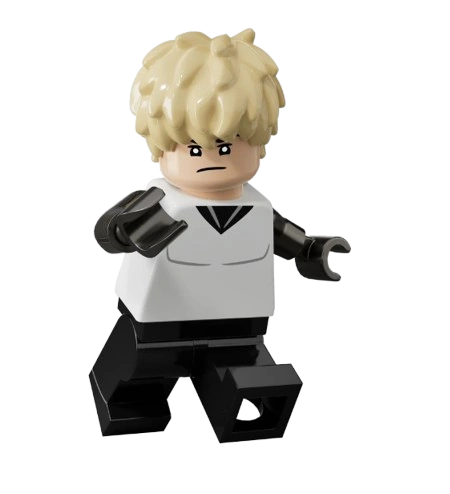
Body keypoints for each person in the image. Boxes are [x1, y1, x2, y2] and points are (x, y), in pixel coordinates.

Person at [89, 29, 351, 442]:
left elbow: (288, 239)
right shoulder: (160, 202)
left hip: (239, 329)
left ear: (259, 142)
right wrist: (122, 230)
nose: (211, 158)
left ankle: (238, 412)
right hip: (156, 327)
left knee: (246, 382)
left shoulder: (256, 209)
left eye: (227, 146)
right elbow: (109, 233)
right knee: (135, 385)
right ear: (162, 147)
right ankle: (132, 409)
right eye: (194, 148)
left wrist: (312, 251)